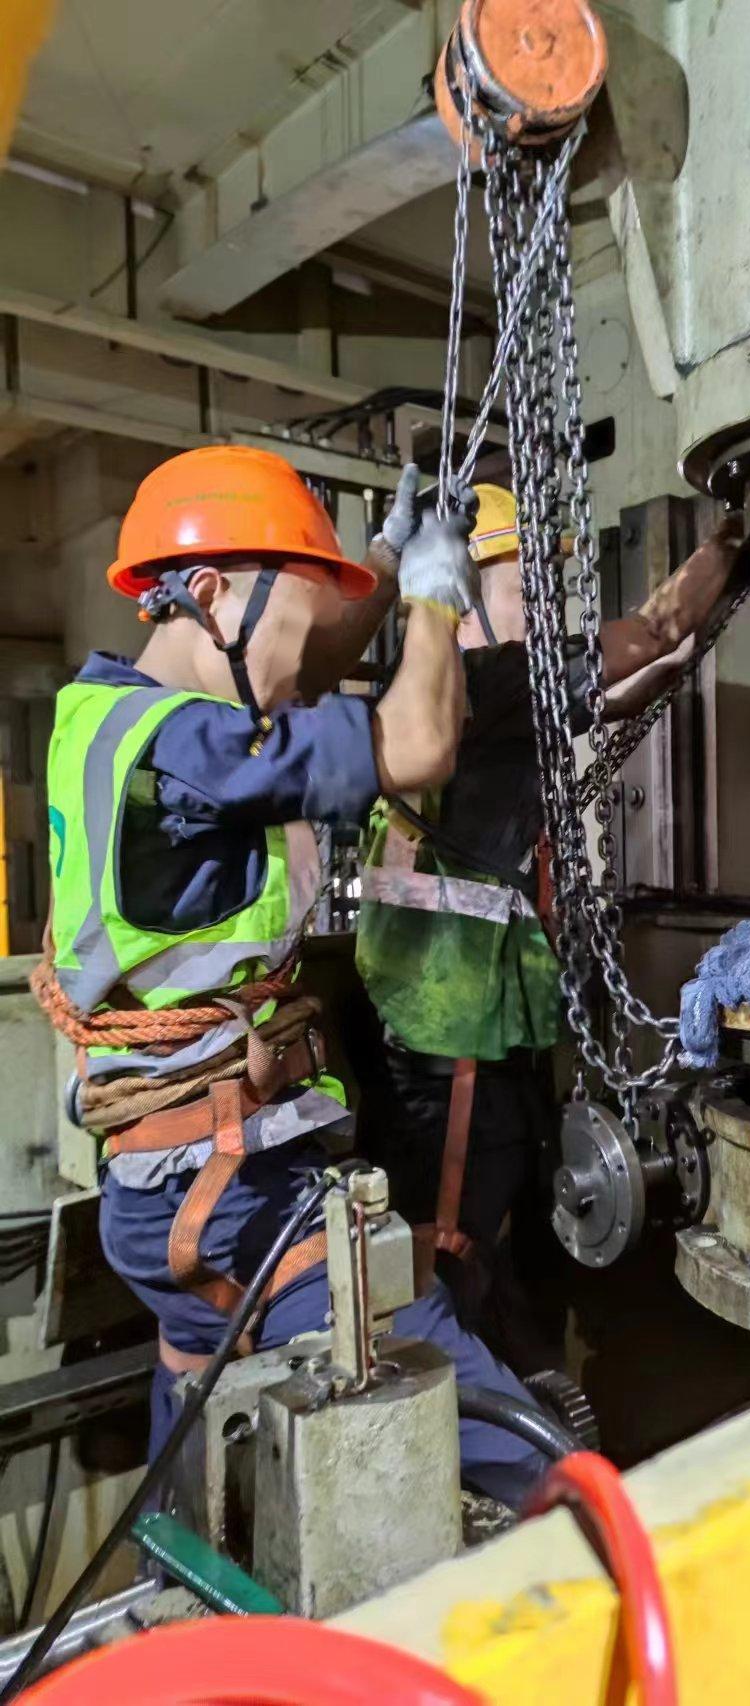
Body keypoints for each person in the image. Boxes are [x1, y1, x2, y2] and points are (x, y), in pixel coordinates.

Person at [36, 445, 552, 1504]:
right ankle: (596, 1534)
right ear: (211, 595)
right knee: (498, 1424)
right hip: (232, 1189)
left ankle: (192, 1615)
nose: (300, 664)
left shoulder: (99, 713)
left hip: (153, 1185)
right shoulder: (198, 750)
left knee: (204, 1429)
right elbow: (416, 740)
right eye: (288, 627)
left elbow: (304, 671)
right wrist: (434, 601)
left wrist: (379, 556)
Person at [356, 485, 741, 1357]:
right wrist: (730, 542)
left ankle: (513, 1389)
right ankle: (482, 1426)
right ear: (459, 595)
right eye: (523, 587)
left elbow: (646, 670)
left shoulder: (464, 697)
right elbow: (650, 634)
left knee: (492, 1244)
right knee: (453, 1254)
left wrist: (683, 636)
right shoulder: (487, 682)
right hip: (455, 1048)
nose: (542, 607)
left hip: (464, 1035)